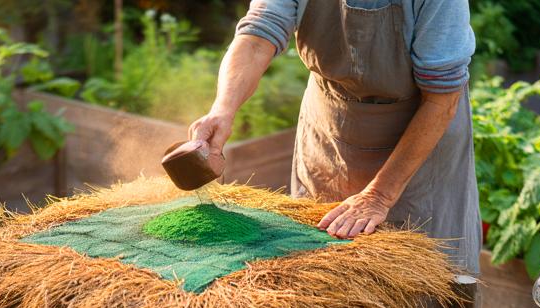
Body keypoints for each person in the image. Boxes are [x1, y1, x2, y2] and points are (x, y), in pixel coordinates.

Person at [189, 0, 480, 273]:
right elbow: (256, 38)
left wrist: (379, 195)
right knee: (317, 265)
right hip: (330, 128)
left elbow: (441, 100)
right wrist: (222, 110)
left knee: (417, 285)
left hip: (418, 136)